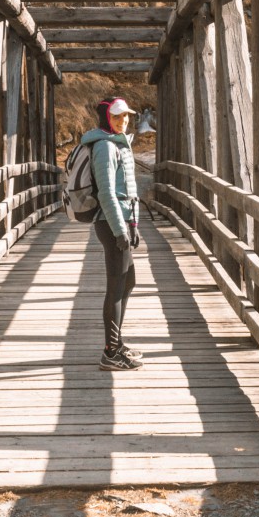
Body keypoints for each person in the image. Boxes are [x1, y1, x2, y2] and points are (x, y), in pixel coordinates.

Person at [80, 97, 143, 371]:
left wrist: (134, 226)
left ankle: (117, 342)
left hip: (122, 223)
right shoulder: (105, 146)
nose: (123, 121)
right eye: (117, 116)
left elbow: (127, 191)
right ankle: (110, 352)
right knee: (116, 288)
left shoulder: (117, 142)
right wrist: (120, 231)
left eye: (126, 117)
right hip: (110, 224)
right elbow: (107, 193)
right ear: (106, 117)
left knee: (128, 282)